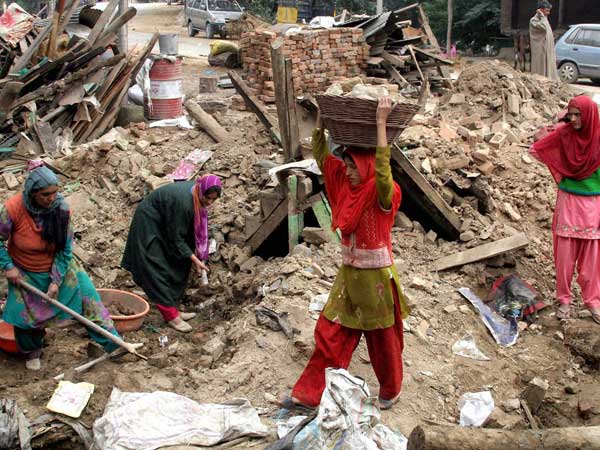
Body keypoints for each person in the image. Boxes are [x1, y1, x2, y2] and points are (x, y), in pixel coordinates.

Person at [283, 97, 410, 410]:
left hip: (377, 281)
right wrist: (323, 122)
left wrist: (380, 123)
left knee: (383, 343)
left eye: (354, 166)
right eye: (348, 166)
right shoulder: (346, 188)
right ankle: (310, 395)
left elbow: (383, 170)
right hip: (349, 277)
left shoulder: (383, 194)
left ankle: (390, 390)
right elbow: (324, 158)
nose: (349, 172)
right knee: (331, 333)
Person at [0, 166, 120, 370]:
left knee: (90, 302)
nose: (51, 198)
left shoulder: (62, 209)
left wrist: (56, 280)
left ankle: (115, 346)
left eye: (55, 192)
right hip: (25, 271)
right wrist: (8, 266)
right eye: (45, 194)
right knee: (25, 317)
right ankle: (32, 351)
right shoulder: (12, 209)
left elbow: (65, 248)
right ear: (32, 192)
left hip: (61, 265)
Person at [530, 95, 600, 323]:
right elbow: (537, 148)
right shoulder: (565, 135)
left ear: (589, 115)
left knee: (591, 260)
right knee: (565, 257)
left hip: (593, 205)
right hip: (569, 201)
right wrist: (560, 161)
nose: (574, 119)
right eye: (571, 114)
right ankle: (564, 301)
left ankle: (592, 301)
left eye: (578, 114)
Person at [121, 175, 222, 333]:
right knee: (155, 266)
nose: (209, 203)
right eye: (207, 198)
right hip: (149, 224)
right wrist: (195, 259)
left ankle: (174, 307)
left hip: (165, 222)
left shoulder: (195, 195)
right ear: (200, 191)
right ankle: (171, 316)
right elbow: (176, 239)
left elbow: (182, 236)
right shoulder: (184, 204)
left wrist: (193, 255)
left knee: (178, 262)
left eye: (213, 200)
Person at [529, 0, 559, 81]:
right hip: (540, 50)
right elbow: (544, 27)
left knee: (548, 67)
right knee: (540, 68)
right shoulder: (534, 21)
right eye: (547, 11)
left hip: (547, 50)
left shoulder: (545, 19)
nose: (548, 13)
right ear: (540, 10)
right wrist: (542, 16)